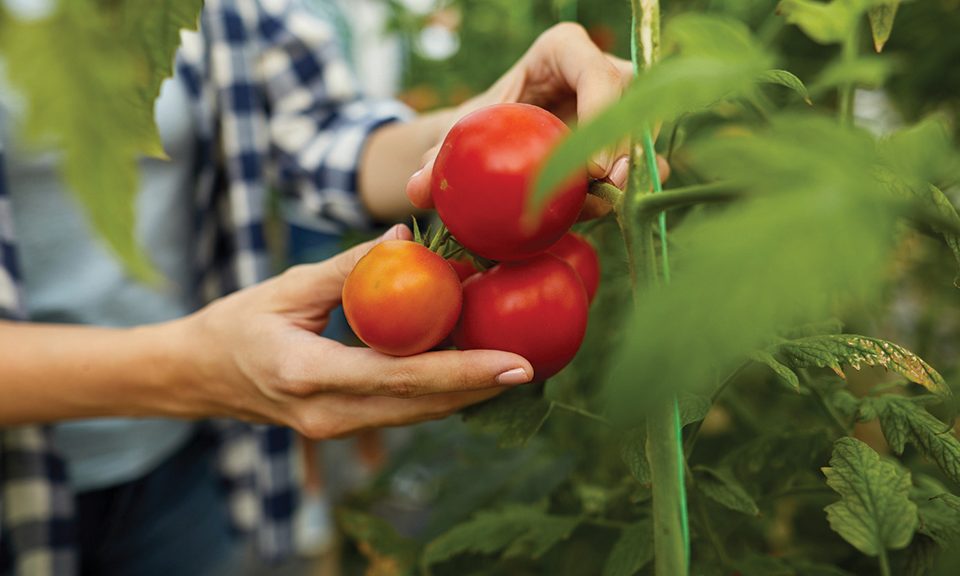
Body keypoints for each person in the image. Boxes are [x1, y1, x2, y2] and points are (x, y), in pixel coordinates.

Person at [0, 0, 639, 574]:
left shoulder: (220, 13)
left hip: (187, 465)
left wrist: (485, 132)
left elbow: (324, 136)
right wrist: (194, 370)